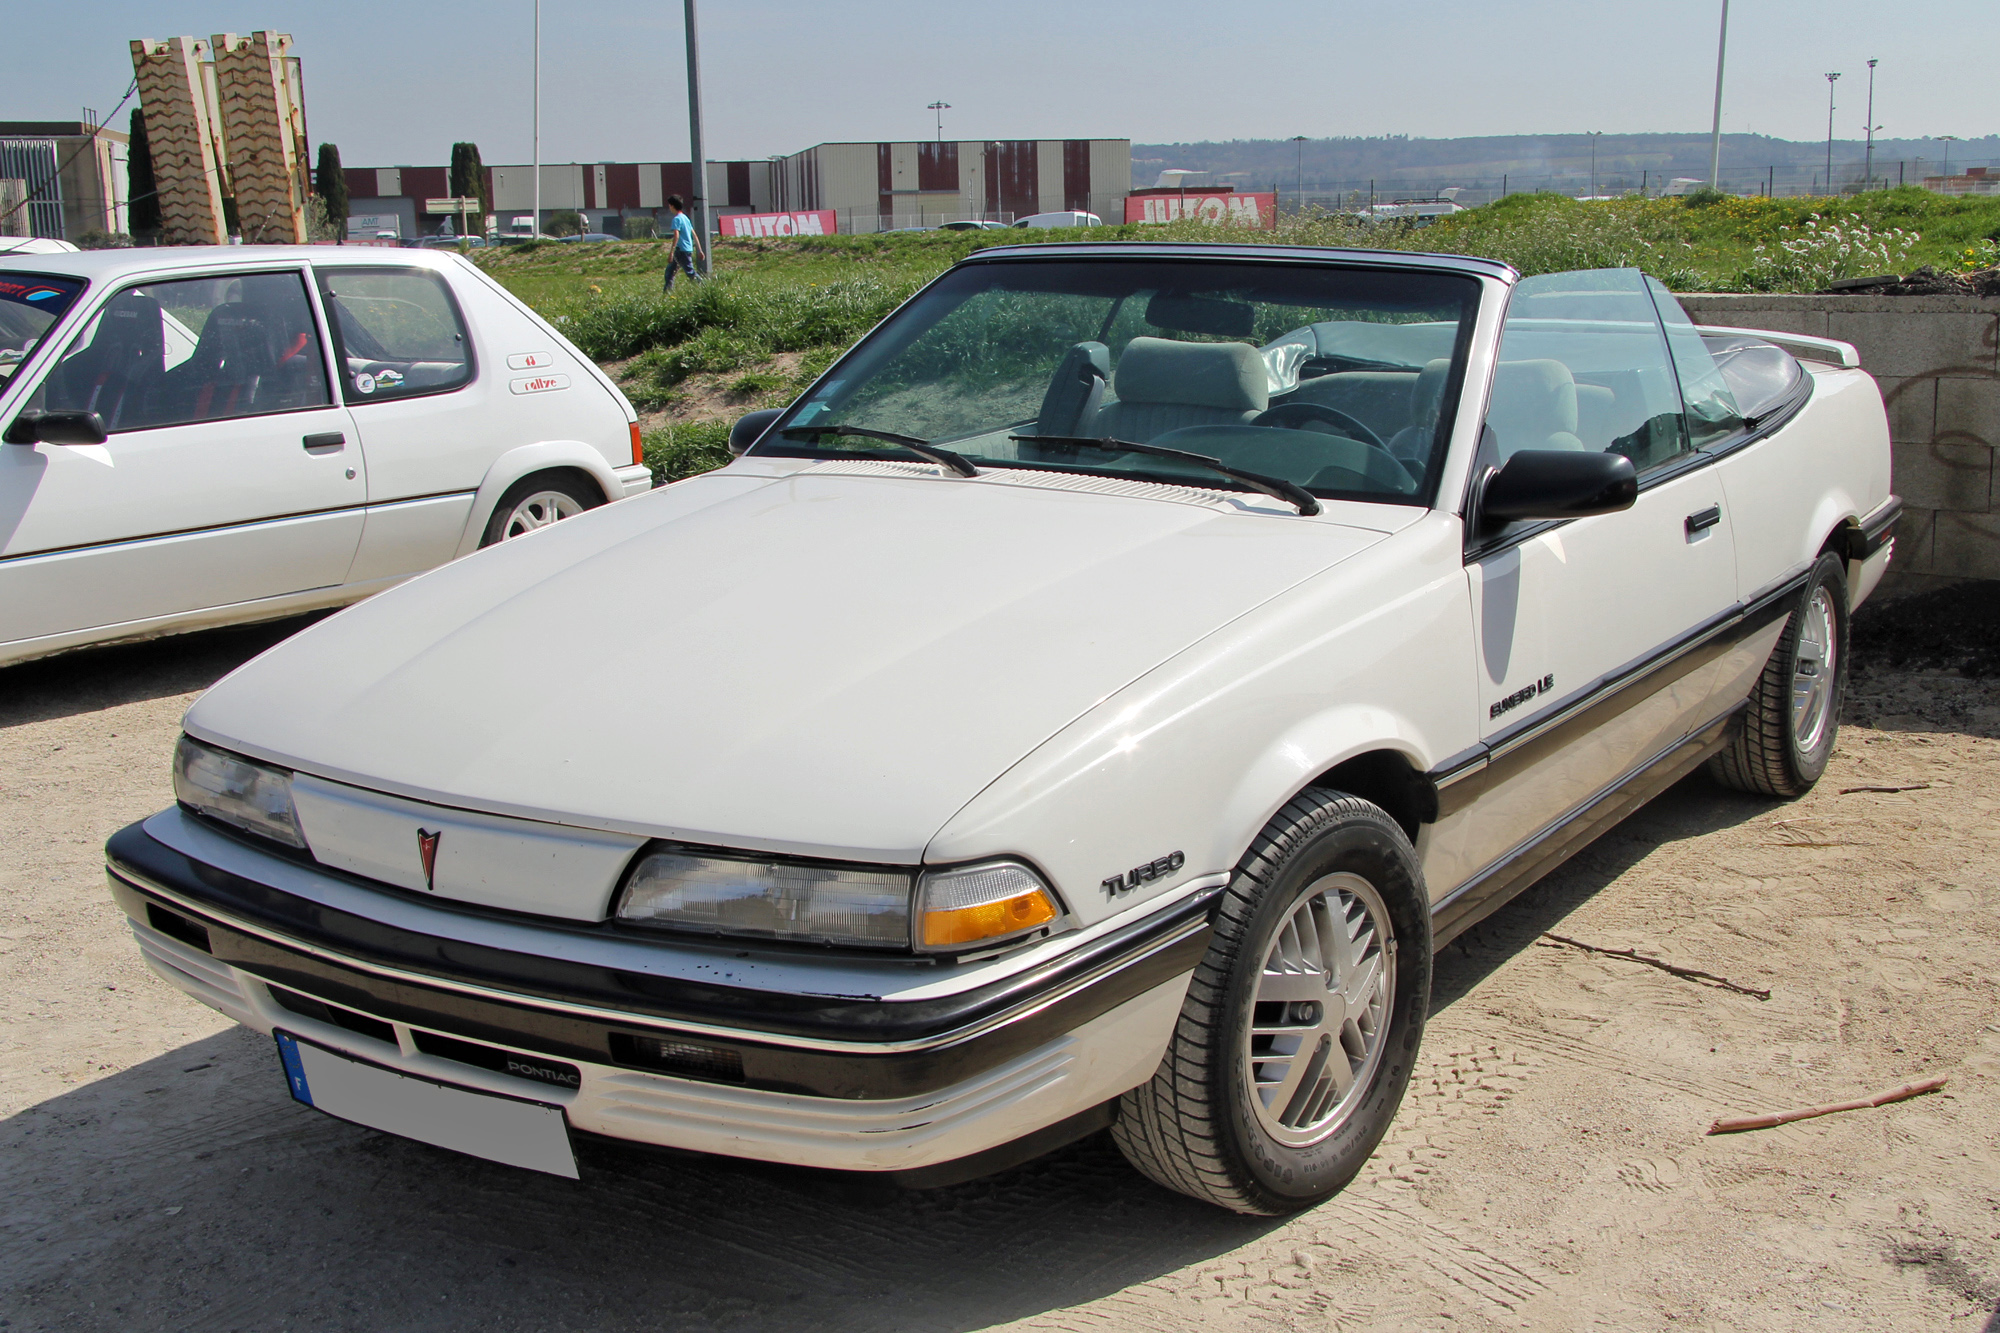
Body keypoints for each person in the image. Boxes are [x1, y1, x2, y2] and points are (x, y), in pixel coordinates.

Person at [663, 195, 703, 290]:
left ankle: (704, 286)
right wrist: (699, 250)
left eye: (669, 205)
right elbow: (694, 235)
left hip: (681, 251)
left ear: (672, 206)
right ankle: (667, 293)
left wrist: (671, 253)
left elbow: (676, 235)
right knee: (669, 272)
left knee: (690, 272)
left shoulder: (676, 219)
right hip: (687, 249)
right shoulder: (685, 218)